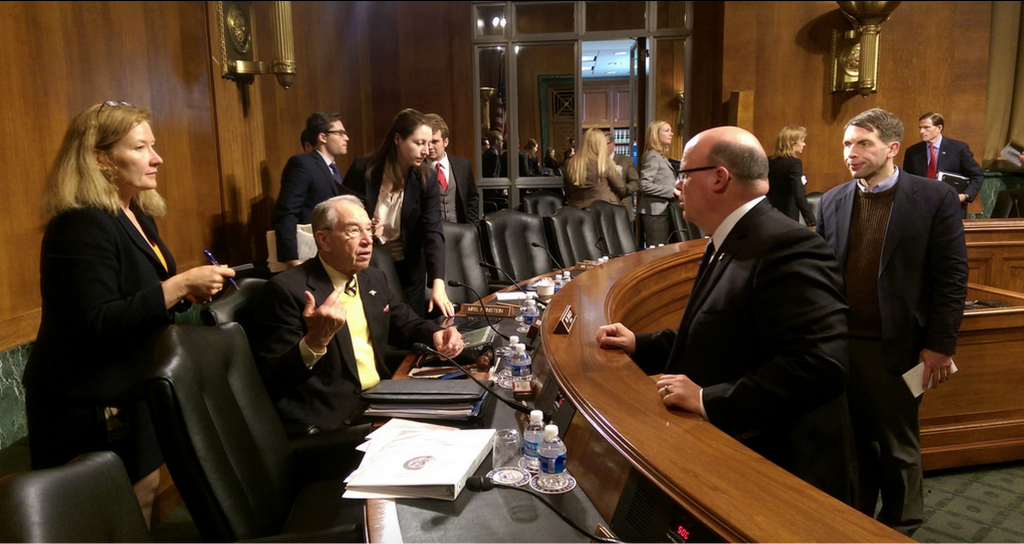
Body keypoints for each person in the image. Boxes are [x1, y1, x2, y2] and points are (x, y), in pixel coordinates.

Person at [596, 126, 856, 504]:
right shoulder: (730, 236)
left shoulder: (789, 246)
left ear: (720, 178)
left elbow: (820, 366)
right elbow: (722, 332)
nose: (678, 185)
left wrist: (707, 399)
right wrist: (640, 343)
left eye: (684, 174)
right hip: (742, 455)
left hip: (784, 472)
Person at [24, 101, 236, 527]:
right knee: (100, 519)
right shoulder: (80, 223)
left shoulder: (135, 212)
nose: (156, 158)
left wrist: (183, 295)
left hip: (132, 387)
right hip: (88, 400)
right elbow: (94, 322)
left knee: (138, 503)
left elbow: (137, 296)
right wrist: (177, 286)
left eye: (152, 146)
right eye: (141, 147)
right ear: (100, 158)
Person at [816, 108, 968, 536]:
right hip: (844, 344)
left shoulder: (932, 198)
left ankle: (901, 526)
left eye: (863, 143)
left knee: (898, 446)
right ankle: (857, 521)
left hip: (900, 346)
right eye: (847, 143)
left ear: (892, 148)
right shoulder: (832, 200)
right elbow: (826, 275)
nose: (852, 152)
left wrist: (941, 345)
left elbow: (951, 277)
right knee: (853, 444)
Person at [250, 195, 464, 436]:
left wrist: (437, 333)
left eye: (369, 229)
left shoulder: (373, 278)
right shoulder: (287, 290)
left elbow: (406, 322)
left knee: (464, 419)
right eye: (353, 231)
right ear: (323, 239)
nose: (367, 240)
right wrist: (315, 341)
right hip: (336, 420)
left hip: (382, 399)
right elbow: (275, 376)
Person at [343, 108, 454, 318]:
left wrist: (438, 283)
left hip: (410, 266)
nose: (426, 150)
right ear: (397, 139)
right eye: (419, 143)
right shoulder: (362, 168)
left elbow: (433, 231)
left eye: (429, 143)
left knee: (410, 326)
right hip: (368, 265)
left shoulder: (427, 178)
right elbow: (342, 216)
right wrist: (366, 226)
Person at [272, 111, 351, 267]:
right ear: (322, 137)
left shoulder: (332, 169)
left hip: (332, 253)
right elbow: (287, 212)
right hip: (308, 256)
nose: (346, 138)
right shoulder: (302, 164)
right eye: (340, 133)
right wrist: (291, 258)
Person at [902, 112, 984, 219]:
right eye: (920, 128)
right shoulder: (913, 152)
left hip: (950, 208)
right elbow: (907, 180)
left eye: (926, 128)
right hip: (922, 210)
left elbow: (977, 176)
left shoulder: (958, 149)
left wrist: (964, 196)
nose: (921, 131)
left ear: (939, 128)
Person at [425, 113, 480, 224]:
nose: (430, 147)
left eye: (435, 142)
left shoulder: (463, 165)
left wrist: (472, 227)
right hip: (430, 235)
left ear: (446, 142)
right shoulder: (416, 169)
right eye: (427, 142)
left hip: (461, 233)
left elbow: (472, 198)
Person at [562, 128, 629, 209]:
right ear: (601, 145)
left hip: (578, 212)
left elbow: (568, 191)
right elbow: (622, 190)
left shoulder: (570, 164)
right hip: (604, 211)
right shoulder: (605, 163)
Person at [637, 120, 677, 246]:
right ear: (656, 134)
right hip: (655, 212)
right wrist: (672, 191)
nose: (672, 134)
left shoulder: (660, 156)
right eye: (667, 131)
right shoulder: (653, 156)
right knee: (657, 252)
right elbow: (644, 185)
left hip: (662, 211)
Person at [767, 125, 816, 226]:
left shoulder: (768, 161)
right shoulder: (794, 163)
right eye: (802, 141)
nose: (804, 144)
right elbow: (799, 194)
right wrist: (812, 222)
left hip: (769, 215)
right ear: (793, 143)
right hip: (787, 216)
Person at [606, 131, 640, 222]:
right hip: (604, 209)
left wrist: (624, 191)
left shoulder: (626, 160)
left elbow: (636, 182)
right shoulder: (595, 162)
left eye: (605, 144)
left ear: (613, 144)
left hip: (622, 206)